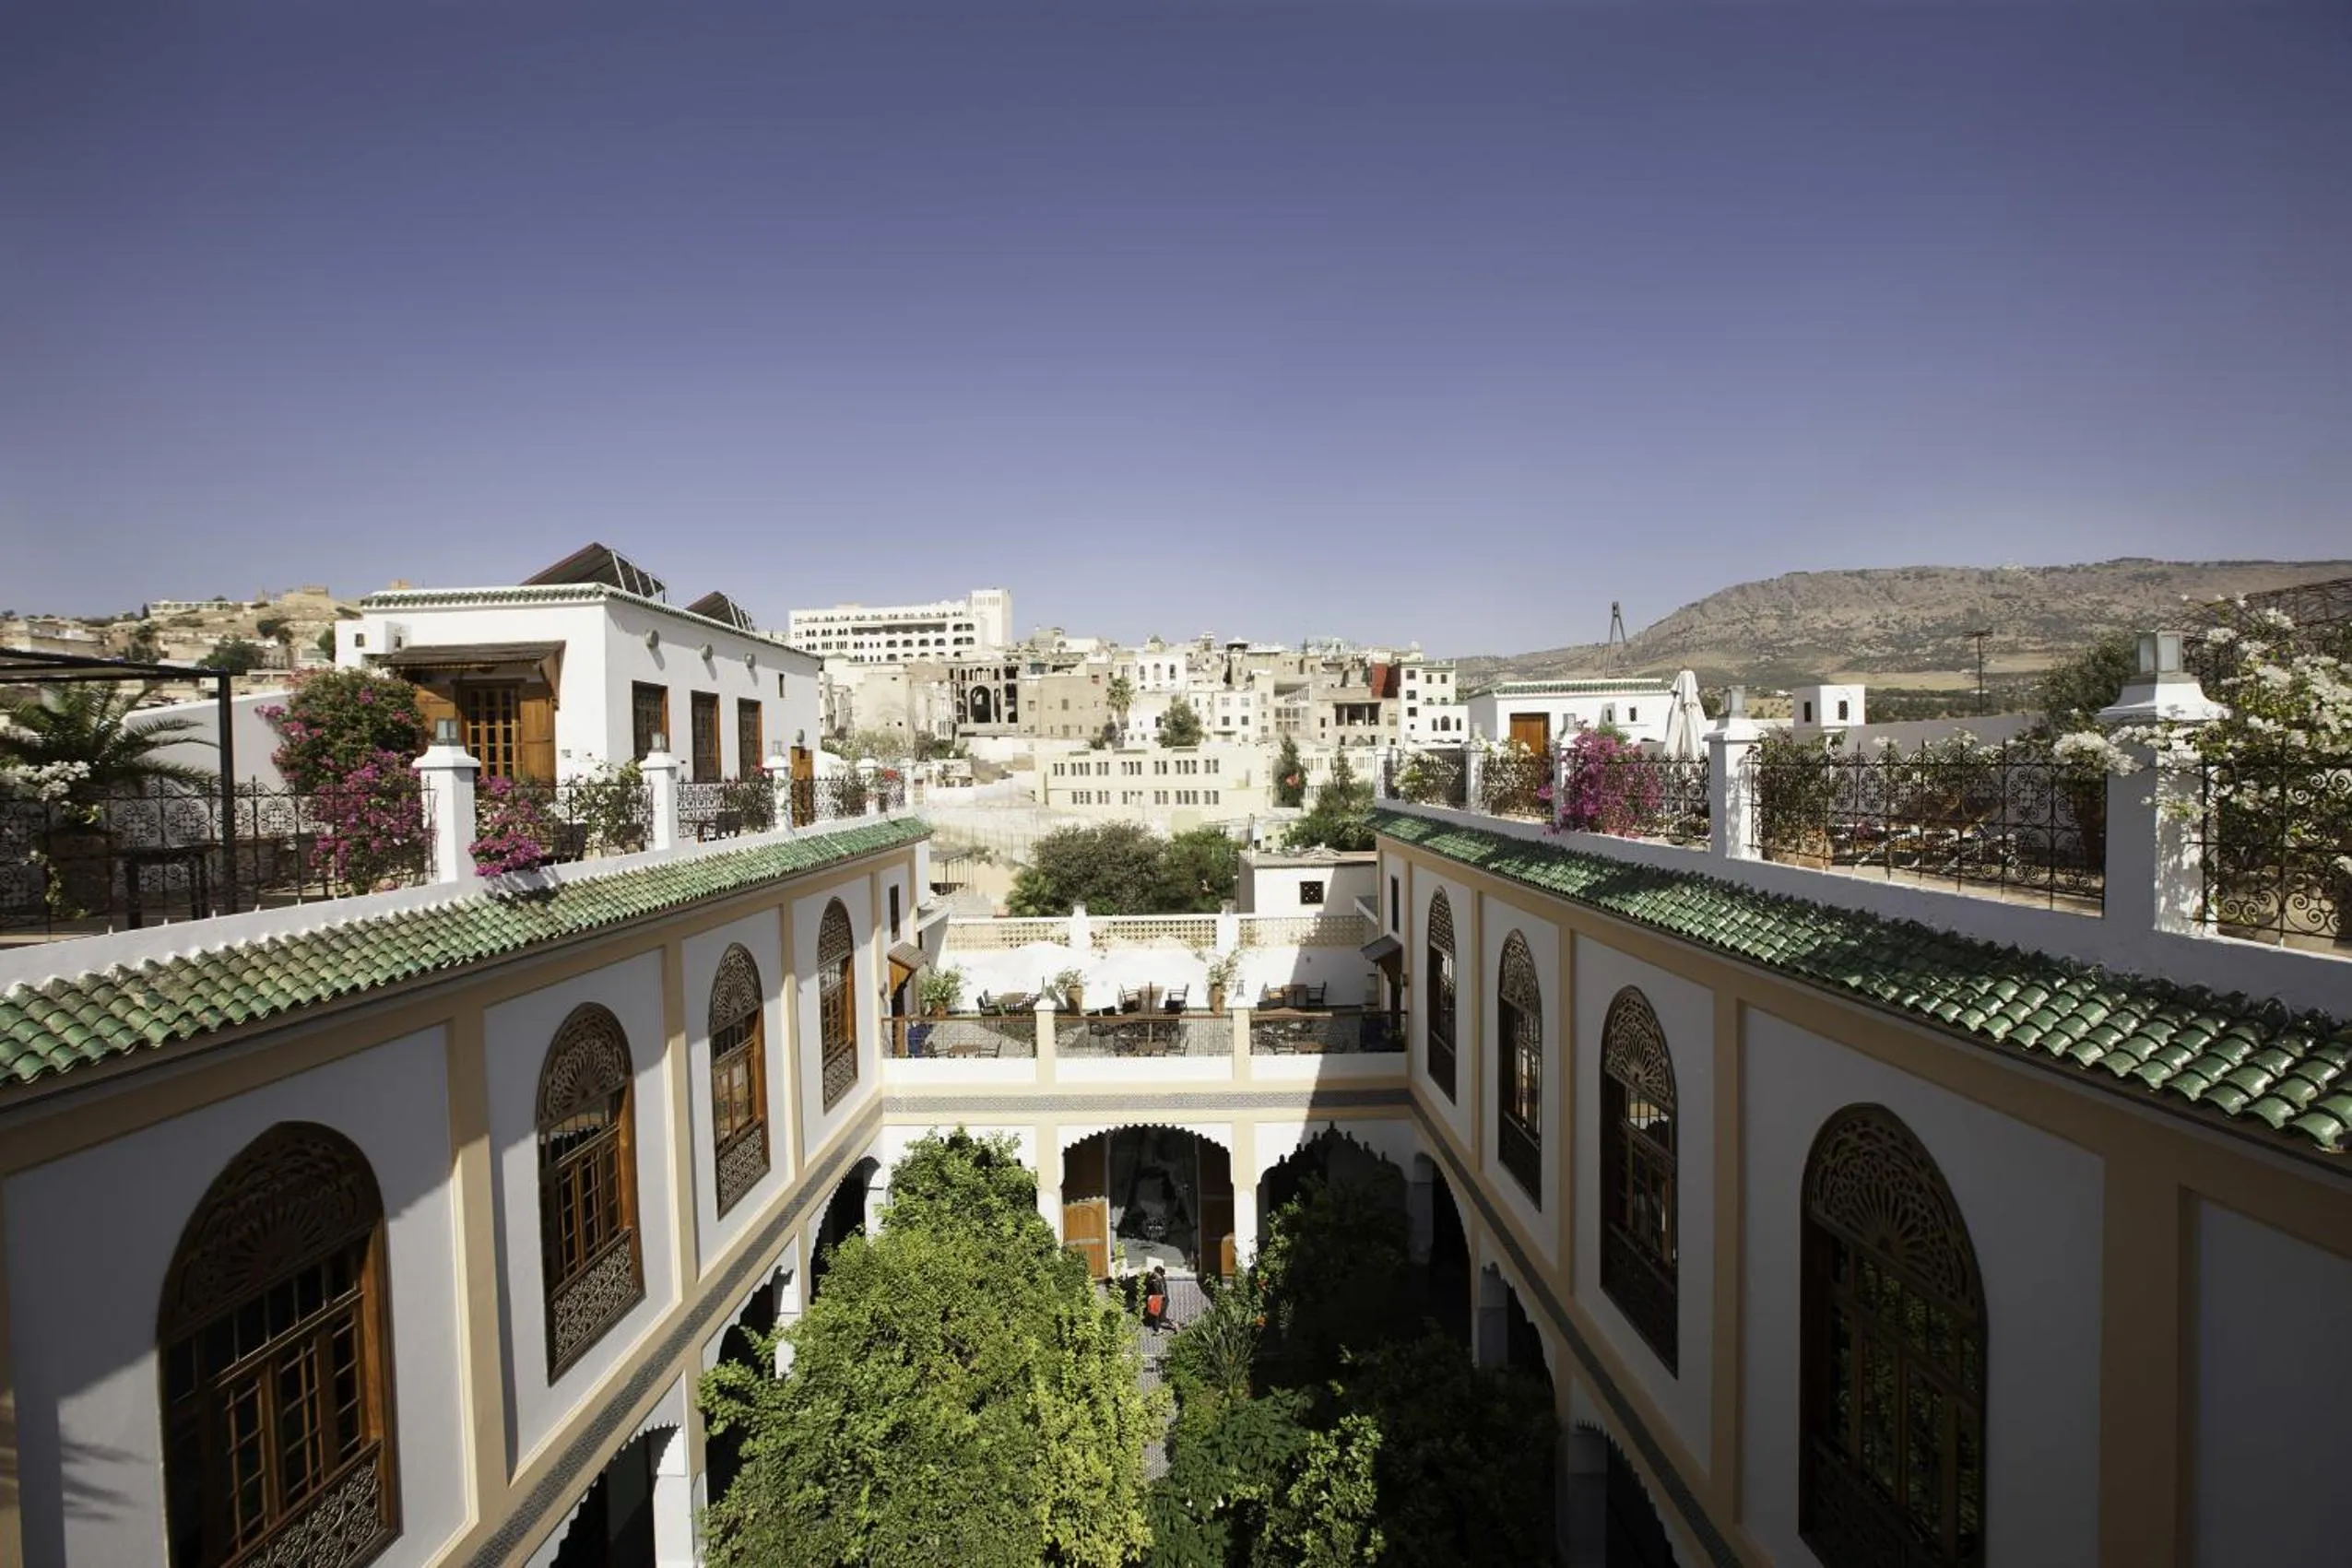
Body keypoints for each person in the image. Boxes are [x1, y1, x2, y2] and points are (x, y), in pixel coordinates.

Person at [1144, 1265, 1167, 1334]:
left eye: (1155, 1272)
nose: (1154, 1273)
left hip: (1156, 1299)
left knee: (1155, 1315)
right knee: (1156, 1315)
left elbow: (1160, 1292)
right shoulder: (1160, 1280)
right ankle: (1158, 1329)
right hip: (1158, 1299)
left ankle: (1158, 1329)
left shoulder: (1158, 1281)